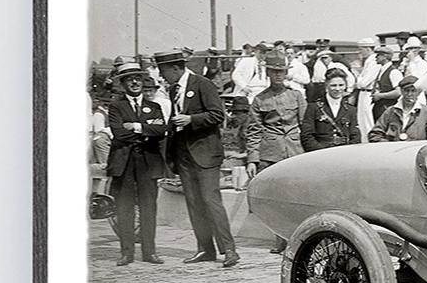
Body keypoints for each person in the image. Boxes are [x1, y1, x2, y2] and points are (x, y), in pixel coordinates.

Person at [155, 49, 238, 267]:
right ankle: (205, 249)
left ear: (175, 68)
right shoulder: (173, 90)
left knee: (211, 200)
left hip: (205, 154)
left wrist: (191, 119)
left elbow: (217, 114)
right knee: (193, 203)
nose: (162, 76)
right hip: (183, 155)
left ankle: (229, 250)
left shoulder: (202, 84)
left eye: (164, 71)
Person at [103, 55, 169, 266]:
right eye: (129, 79)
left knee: (149, 207)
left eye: (137, 78)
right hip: (124, 163)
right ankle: (127, 253)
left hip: (148, 163)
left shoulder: (154, 106)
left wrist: (137, 127)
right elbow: (119, 133)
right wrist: (146, 131)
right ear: (123, 83)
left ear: (142, 81)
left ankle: (150, 252)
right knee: (125, 208)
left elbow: (161, 130)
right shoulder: (116, 107)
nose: (134, 82)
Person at [246, 52, 306, 252]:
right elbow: (254, 131)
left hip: (295, 151)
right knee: (276, 197)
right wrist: (252, 159)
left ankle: (299, 237)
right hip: (271, 153)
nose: (278, 75)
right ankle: (280, 237)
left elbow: (305, 126)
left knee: (298, 195)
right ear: (268, 73)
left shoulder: (296, 96)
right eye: (273, 71)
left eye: (281, 71)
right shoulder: (259, 99)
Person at [302, 66, 361, 151]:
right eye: (333, 85)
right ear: (326, 85)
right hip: (320, 152)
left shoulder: (351, 110)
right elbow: (307, 136)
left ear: (345, 86)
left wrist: (348, 152)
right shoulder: (314, 107)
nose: (337, 89)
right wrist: (321, 152)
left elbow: (356, 137)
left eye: (341, 85)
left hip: (344, 152)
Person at [368, 76, 427, 141]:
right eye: (406, 91)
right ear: (401, 91)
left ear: (419, 92)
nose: (409, 94)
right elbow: (374, 134)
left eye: (413, 91)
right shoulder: (390, 112)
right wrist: (387, 144)